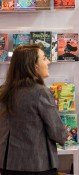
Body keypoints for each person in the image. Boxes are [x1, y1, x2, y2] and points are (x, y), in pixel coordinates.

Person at [0, 44, 67, 175]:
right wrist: (65, 136)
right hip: (37, 165)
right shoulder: (40, 92)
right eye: (43, 58)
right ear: (34, 65)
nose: (48, 61)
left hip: (7, 164)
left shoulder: (3, 92)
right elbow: (57, 133)